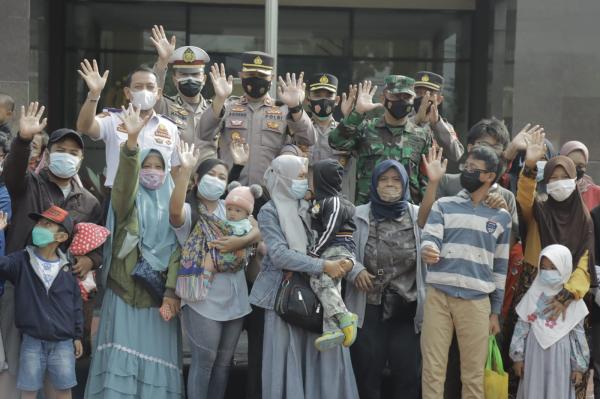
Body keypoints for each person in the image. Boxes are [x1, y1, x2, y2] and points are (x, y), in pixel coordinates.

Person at [0, 102, 103, 396]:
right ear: (46, 154)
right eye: (60, 150)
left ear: (82, 160)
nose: (66, 156)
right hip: (19, 285)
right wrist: (22, 140)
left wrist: (90, 259)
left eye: (73, 153)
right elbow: (11, 175)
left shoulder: (88, 202)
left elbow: (97, 245)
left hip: (60, 298)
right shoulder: (29, 184)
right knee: (16, 365)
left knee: (58, 375)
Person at [85, 105, 183, 398]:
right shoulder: (126, 202)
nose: (152, 172)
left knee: (157, 369)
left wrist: (170, 292)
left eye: (158, 167)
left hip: (160, 299)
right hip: (125, 291)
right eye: (146, 166)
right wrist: (130, 146)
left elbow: (179, 250)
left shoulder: (175, 209)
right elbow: (124, 184)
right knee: (121, 369)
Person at [249, 154, 359, 399]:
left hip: (321, 298)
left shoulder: (315, 204)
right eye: (299, 176)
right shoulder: (270, 211)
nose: (304, 182)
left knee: (326, 361)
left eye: (305, 176)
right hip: (286, 298)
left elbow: (340, 237)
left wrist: (347, 262)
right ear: (284, 178)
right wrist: (322, 266)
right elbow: (278, 254)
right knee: (289, 362)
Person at [505, 131, 596, 397]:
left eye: (564, 178)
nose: (558, 183)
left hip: (570, 301)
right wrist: (530, 166)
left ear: (575, 180)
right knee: (524, 367)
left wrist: (566, 295)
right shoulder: (539, 211)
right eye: (552, 178)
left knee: (570, 371)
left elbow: (585, 263)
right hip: (533, 288)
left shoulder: (585, 220)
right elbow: (523, 199)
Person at [420, 146, 511, 399]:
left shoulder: (502, 216)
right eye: (465, 167)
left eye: (474, 170)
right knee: (432, 370)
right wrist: (428, 249)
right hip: (439, 296)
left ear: (490, 176)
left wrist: (495, 312)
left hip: (477, 302)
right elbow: (429, 237)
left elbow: (501, 267)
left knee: (473, 376)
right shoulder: (443, 205)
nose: (467, 173)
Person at [169, 143, 260, 399]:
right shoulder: (189, 210)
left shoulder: (229, 208)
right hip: (202, 298)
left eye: (222, 177)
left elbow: (256, 229)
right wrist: (185, 171)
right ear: (197, 180)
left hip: (235, 296)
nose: (217, 181)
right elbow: (174, 212)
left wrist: (238, 242)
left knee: (223, 363)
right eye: (211, 176)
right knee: (205, 362)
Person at [344, 156, 434, 399]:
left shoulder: (418, 216)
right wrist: (355, 269)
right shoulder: (357, 214)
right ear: (374, 183)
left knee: (408, 378)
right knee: (366, 375)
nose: (390, 184)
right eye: (383, 179)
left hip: (407, 310)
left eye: (396, 179)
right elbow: (341, 249)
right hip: (368, 309)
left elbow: (434, 243)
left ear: (405, 183)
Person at [0, 205, 84, 399]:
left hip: (63, 343)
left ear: (61, 237)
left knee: (63, 391)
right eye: (39, 222)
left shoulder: (67, 270)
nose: (39, 227)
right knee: (28, 391)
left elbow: (75, 305)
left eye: (47, 224)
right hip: (31, 341)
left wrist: (77, 336)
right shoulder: (21, 260)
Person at [197, 52, 317, 186]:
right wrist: (219, 98)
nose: (256, 79)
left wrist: (295, 107)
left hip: (269, 193)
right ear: (241, 75)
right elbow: (203, 133)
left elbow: (309, 139)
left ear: (271, 77)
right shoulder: (227, 107)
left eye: (261, 75)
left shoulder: (283, 110)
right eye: (251, 75)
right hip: (231, 190)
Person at [76, 59, 181, 188]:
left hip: (157, 202)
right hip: (120, 199)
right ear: (127, 93)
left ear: (158, 93)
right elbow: (84, 126)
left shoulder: (170, 127)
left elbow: (176, 170)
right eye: (138, 87)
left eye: (150, 87)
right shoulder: (112, 119)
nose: (144, 91)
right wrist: (94, 94)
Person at [328, 77, 431, 205]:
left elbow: (425, 182)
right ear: (383, 98)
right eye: (396, 96)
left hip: (406, 215)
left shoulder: (422, 136)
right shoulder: (366, 128)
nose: (401, 101)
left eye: (406, 97)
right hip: (368, 213)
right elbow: (335, 142)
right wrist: (357, 113)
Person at [510, 244, 589, 399]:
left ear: (565, 267)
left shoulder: (573, 300)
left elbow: (577, 335)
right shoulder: (533, 293)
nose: (548, 273)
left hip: (561, 358)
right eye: (544, 268)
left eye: (554, 267)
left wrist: (579, 367)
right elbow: (522, 325)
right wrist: (517, 357)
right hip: (534, 354)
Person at [307, 159, 357, 351]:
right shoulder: (322, 201)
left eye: (313, 178)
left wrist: (314, 252)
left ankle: (345, 315)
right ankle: (332, 330)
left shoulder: (334, 201)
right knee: (331, 288)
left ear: (322, 179)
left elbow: (330, 230)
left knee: (320, 280)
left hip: (337, 246)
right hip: (330, 248)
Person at [150, 25, 218, 163]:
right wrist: (163, 60)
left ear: (204, 79)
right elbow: (153, 91)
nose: (190, 78)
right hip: (175, 180)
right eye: (183, 74)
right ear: (174, 79)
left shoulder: (215, 110)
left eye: (195, 74)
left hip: (207, 180)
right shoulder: (165, 106)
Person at [304, 73, 357, 201]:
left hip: (339, 203)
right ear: (307, 100)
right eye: (317, 95)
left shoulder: (345, 133)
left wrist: (350, 119)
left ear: (337, 100)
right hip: (307, 203)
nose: (323, 100)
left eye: (328, 95)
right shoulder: (301, 132)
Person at [411, 71, 464, 162]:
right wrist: (416, 120)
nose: (424, 98)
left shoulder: (444, 126)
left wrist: (437, 124)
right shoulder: (402, 120)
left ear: (439, 99)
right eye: (419, 93)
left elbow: (456, 155)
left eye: (430, 94)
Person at [560, 140, 600, 211]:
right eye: (570, 163)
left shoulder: (597, 193)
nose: (574, 169)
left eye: (580, 165)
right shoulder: (554, 190)